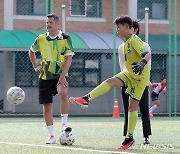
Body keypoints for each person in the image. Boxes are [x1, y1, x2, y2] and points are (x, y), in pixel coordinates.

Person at [69, 15, 151, 150]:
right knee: (110, 81)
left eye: (118, 27)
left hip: (139, 78)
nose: (117, 30)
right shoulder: (125, 43)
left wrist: (142, 63)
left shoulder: (134, 40)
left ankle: (129, 138)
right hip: (129, 74)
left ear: (126, 27)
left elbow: (147, 55)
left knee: (132, 106)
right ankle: (86, 99)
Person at [29, 13, 74, 144]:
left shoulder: (66, 38)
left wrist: (62, 76)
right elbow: (31, 51)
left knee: (63, 92)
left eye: (50, 22)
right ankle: (52, 136)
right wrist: (36, 66)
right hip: (45, 76)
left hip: (60, 74)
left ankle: (64, 125)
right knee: (47, 106)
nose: (48, 25)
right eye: (47, 22)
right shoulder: (41, 38)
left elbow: (69, 58)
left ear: (56, 23)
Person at [119, 21, 152, 145]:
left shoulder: (144, 45)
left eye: (131, 28)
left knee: (144, 109)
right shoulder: (122, 46)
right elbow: (122, 64)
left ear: (136, 30)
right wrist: (125, 79)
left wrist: (147, 82)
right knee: (128, 109)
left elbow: (148, 64)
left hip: (141, 82)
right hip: (127, 80)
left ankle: (146, 136)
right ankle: (127, 137)